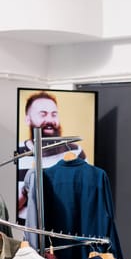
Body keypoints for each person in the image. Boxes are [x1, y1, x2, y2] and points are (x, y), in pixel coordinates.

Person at [17, 91, 86, 224]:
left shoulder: (75, 151)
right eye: (43, 114)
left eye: (54, 114)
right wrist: (28, 189)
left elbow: (84, 199)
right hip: (26, 230)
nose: (49, 120)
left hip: (66, 228)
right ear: (27, 119)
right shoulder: (17, 153)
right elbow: (7, 207)